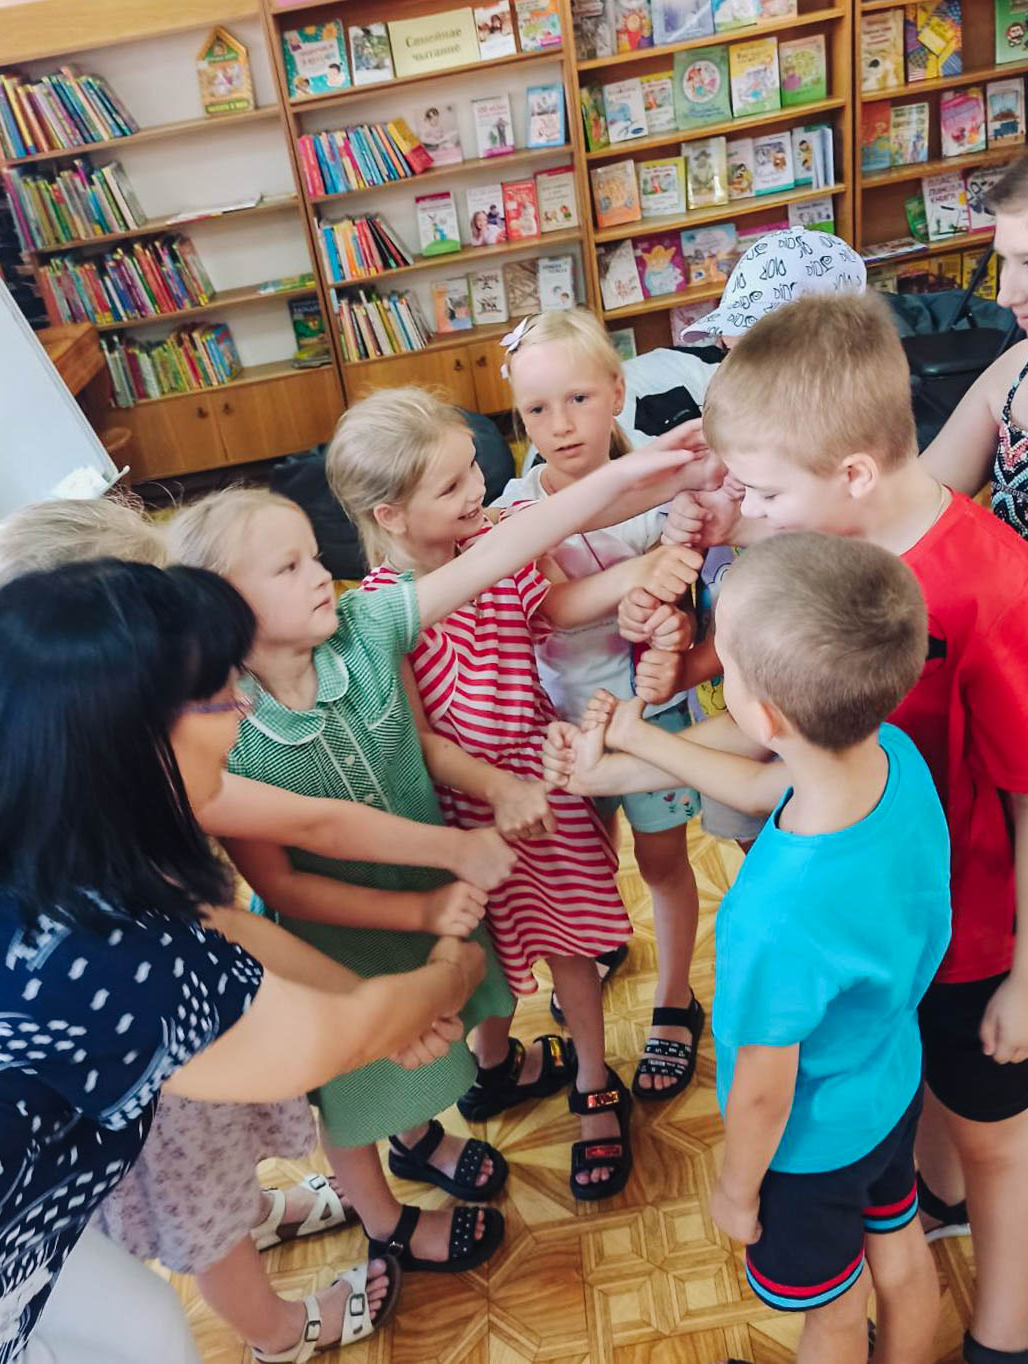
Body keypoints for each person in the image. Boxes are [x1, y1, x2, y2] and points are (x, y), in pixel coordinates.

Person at [554, 293, 1028, 1364]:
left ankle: (1003, 1338)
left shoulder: (989, 587)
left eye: (761, 490)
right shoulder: (823, 554)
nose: (745, 510)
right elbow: (777, 733)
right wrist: (639, 740)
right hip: (893, 932)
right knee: (920, 1105)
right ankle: (932, 1210)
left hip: (973, 932)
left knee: (997, 1135)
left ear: (849, 472)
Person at [0, 495, 517, 1363]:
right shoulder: (120, 954)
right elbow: (322, 1038)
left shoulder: (54, 812)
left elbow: (229, 923)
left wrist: (385, 1002)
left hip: (30, 1216)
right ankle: (279, 1334)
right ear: (131, 728)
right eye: (216, 691)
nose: (239, 707)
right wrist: (443, 978)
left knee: (146, 1325)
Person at [167, 424, 712, 1264]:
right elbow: (292, 874)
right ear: (223, 606)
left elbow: (527, 535)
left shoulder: (364, 626)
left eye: (314, 555)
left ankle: (458, 1120)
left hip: (444, 888)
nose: (320, 573)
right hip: (353, 930)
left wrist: (638, 470)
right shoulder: (230, 726)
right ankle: (393, 1205)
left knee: (459, 1010)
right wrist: (438, 880)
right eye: (289, 567)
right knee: (364, 1077)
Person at [552, 531, 951, 1364]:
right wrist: (634, 740)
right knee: (902, 1256)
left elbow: (765, 1094)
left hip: (806, 1151)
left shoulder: (774, 916)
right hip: (888, 1089)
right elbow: (767, 780)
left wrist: (737, 1189)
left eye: (723, 661)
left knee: (834, 1314)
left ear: (763, 716)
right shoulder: (893, 756)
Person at [334, 387, 697, 1196]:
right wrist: (496, 788)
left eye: (475, 469)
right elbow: (422, 740)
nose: (479, 491)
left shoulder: (497, 538)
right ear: (391, 515)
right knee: (486, 957)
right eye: (453, 484)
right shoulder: (379, 614)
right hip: (466, 813)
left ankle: (593, 1080)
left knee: (571, 942)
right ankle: (494, 1063)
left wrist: (637, 570)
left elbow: (556, 606)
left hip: (541, 786)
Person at [921, 125, 1028, 1157]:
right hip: (1024, 699)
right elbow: (919, 500)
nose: (1007, 292)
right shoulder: (1019, 369)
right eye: (1002, 263)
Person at [496, 309, 707, 1101]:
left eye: (579, 399)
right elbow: (549, 606)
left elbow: (681, 607)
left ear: (617, 392)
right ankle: (604, 938)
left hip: (650, 719)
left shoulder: (659, 492)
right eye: (537, 409)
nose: (560, 425)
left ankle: (675, 998)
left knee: (662, 862)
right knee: (590, 859)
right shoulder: (518, 505)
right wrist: (636, 577)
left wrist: (668, 622)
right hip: (555, 723)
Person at [631, 230, 869, 848]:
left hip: (790, 713)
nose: (733, 373)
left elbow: (779, 599)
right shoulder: (737, 427)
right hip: (725, 700)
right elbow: (707, 564)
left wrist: (688, 667)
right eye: (728, 353)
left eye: (752, 357)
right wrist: (679, 555)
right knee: (747, 840)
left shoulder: (833, 479)